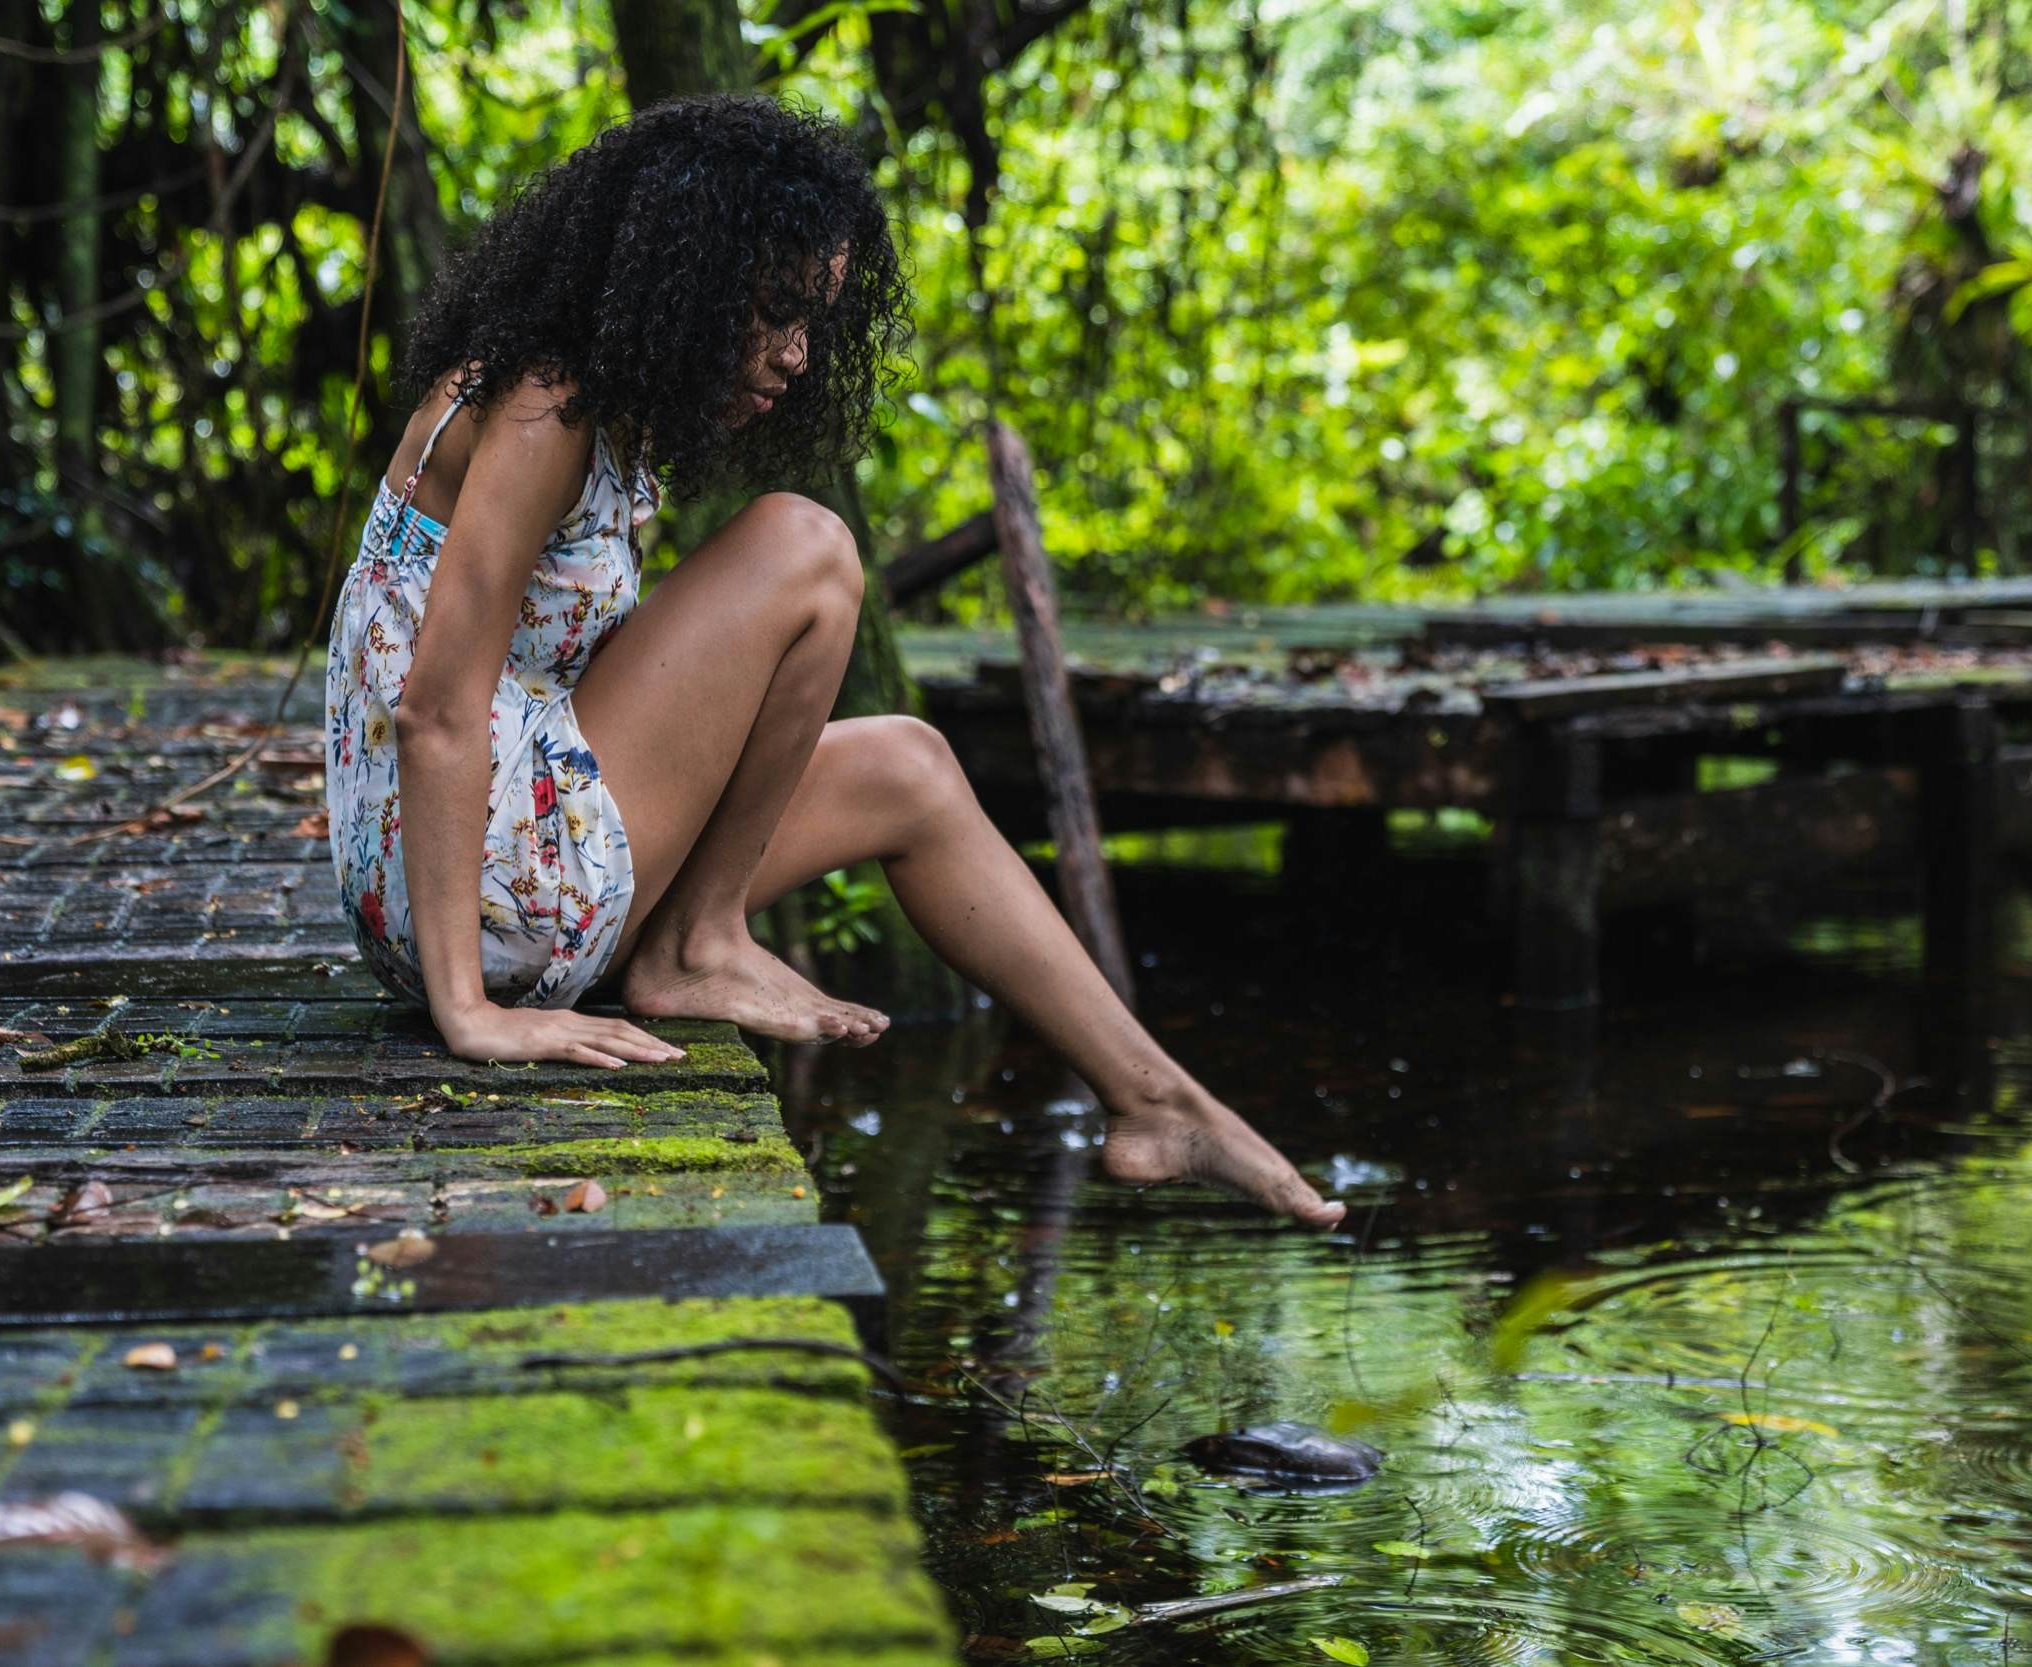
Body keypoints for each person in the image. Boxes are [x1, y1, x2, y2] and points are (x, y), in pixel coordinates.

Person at [323, 92, 1344, 1229]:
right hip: (476, 907)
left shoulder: (584, 406)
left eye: (816, 319)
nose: (799, 356)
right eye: (773, 313)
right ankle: (699, 942)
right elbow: (436, 714)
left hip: (478, 874)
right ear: (688, 285)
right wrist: (468, 1011)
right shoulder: (543, 407)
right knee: (807, 546)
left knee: (908, 761)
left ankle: (1155, 1101)